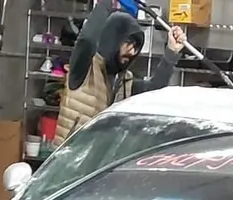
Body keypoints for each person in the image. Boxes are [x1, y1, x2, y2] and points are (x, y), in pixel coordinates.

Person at [54, 4, 187, 143]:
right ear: (113, 39)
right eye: (128, 43)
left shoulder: (125, 81)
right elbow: (86, 40)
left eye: (136, 46)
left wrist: (172, 52)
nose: (132, 52)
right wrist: (103, 4)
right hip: (68, 155)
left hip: (98, 156)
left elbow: (154, 90)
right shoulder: (85, 68)